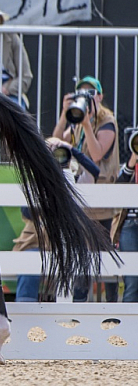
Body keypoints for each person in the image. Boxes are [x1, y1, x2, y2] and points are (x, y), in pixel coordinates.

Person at [51, 76, 120, 302]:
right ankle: (78, 306)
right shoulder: (77, 120)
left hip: (102, 203)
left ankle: (112, 311)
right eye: (82, 93)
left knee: (104, 258)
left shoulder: (107, 121)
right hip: (82, 201)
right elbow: (56, 140)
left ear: (99, 97)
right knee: (81, 254)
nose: (86, 97)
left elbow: (97, 153)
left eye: (91, 93)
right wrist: (65, 114)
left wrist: (87, 124)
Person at [13, 137, 100, 302]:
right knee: (29, 263)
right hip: (37, 243)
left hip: (71, 244)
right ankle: (25, 311)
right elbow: (27, 212)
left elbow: (94, 171)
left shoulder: (75, 181)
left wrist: (71, 150)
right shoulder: (36, 180)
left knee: (81, 263)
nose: (57, 158)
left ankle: (77, 312)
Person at [112, 146, 138, 302]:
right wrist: (131, 162)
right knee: (132, 281)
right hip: (130, 224)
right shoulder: (130, 166)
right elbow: (118, 188)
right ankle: (128, 324)